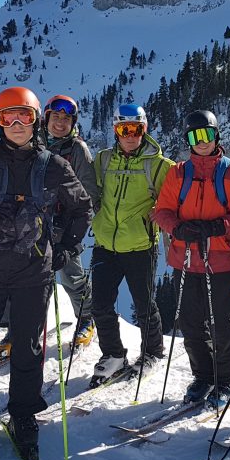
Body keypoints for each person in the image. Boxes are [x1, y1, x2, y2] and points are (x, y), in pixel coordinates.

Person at [0, 86, 91, 460]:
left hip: (35, 272)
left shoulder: (54, 166)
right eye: (8, 117)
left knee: (28, 349)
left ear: (36, 121)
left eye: (24, 117)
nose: (16, 124)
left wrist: (66, 248)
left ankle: (23, 413)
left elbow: (82, 208)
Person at [153, 109, 230, 409]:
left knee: (223, 323)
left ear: (216, 136)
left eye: (207, 135)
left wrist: (218, 226)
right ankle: (203, 375)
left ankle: (227, 379)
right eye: (196, 136)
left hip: (220, 260)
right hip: (185, 259)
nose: (202, 142)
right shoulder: (178, 173)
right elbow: (162, 210)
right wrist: (177, 227)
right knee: (190, 322)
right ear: (188, 140)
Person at [0, 94, 99, 359]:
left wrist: (71, 219)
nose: (60, 123)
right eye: (55, 117)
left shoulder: (77, 149)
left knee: (70, 273)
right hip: (31, 221)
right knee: (23, 276)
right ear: (46, 119)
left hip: (63, 223)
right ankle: (19, 328)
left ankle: (86, 317)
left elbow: (88, 191)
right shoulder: (33, 142)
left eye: (66, 119)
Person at [88, 103, 173, 386]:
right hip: (105, 244)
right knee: (99, 305)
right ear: (116, 130)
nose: (130, 135)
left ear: (144, 129)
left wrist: (161, 210)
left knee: (144, 305)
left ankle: (152, 353)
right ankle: (114, 354)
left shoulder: (159, 165)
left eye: (136, 129)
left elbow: (177, 195)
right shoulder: (102, 160)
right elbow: (87, 189)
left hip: (140, 245)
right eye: (124, 129)